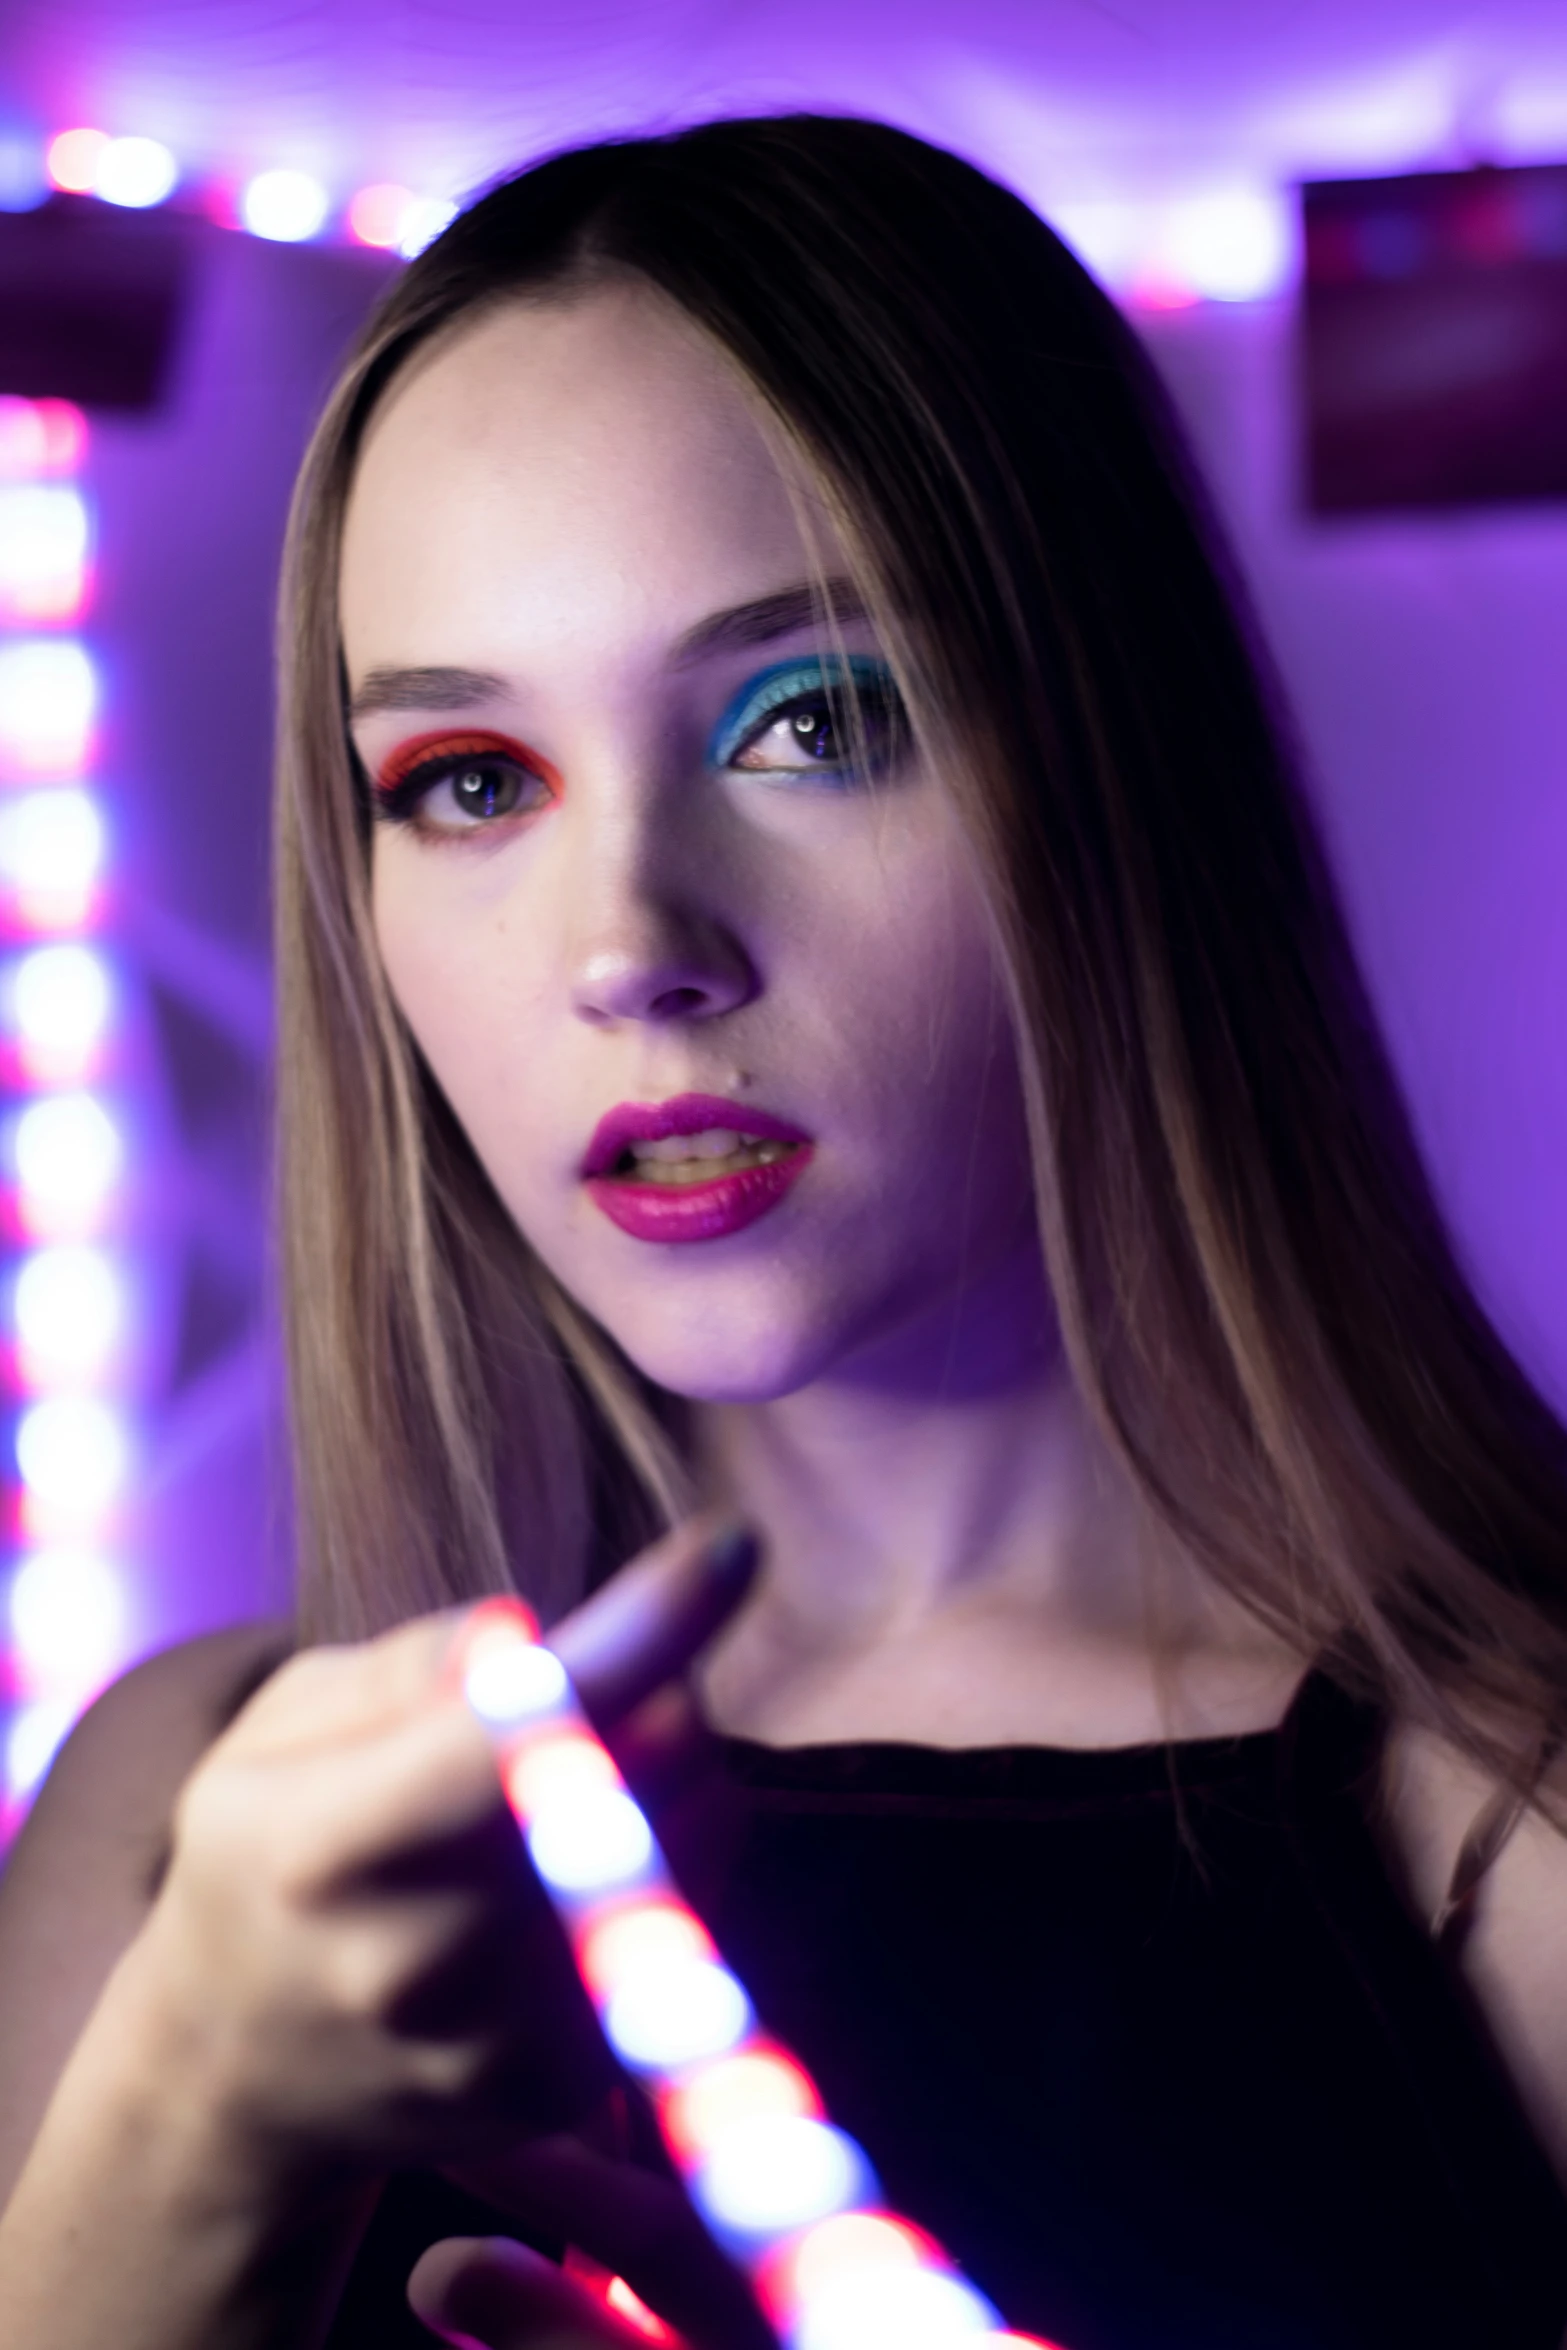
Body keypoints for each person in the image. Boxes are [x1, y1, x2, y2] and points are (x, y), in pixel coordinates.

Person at [0, 112, 1565, 2350]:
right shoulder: (188, 1826)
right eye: (468, 777)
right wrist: (181, 2132)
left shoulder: (1516, 1823)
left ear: (1114, 768)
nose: (629, 942)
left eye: (811, 716)